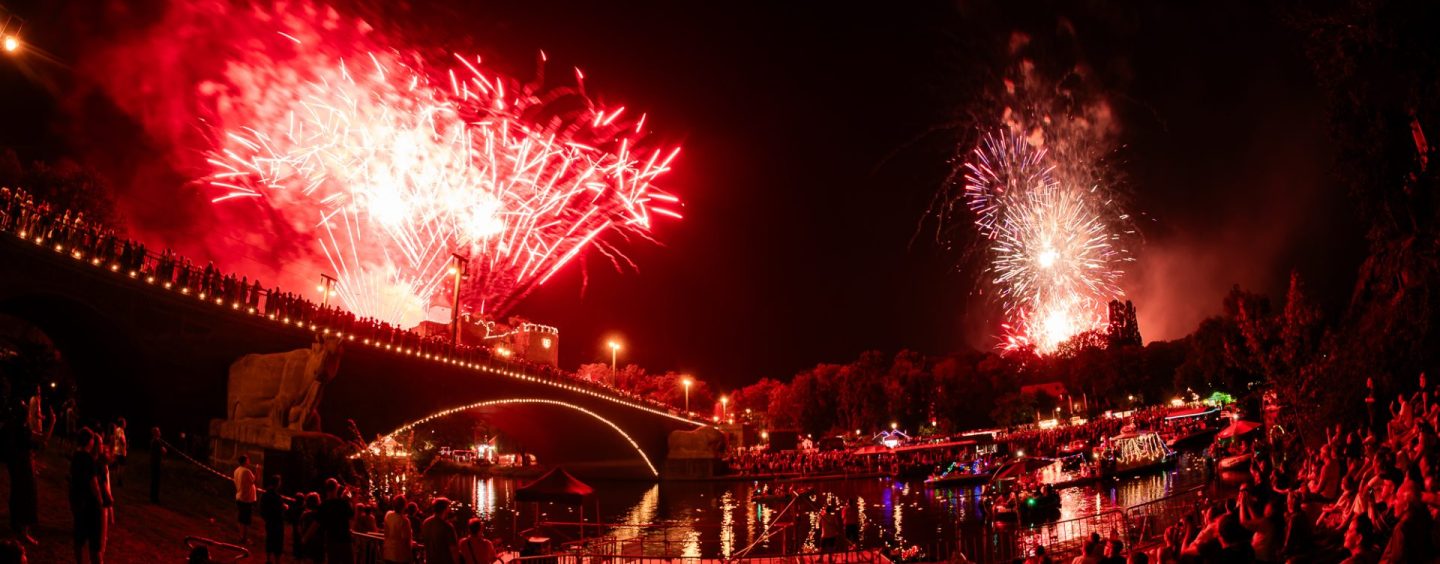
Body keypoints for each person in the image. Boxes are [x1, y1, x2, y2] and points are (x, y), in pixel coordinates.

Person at [69, 429, 105, 564]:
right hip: (90, 504)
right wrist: (100, 500)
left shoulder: (76, 456)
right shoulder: (88, 458)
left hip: (79, 502)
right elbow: (93, 483)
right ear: (89, 441)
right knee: (95, 543)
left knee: (79, 539)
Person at [318, 478, 355, 563]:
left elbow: (316, 523)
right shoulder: (343, 503)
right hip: (345, 541)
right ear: (337, 488)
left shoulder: (324, 505)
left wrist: (304, 539)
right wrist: (353, 499)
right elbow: (352, 517)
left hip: (331, 540)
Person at [421, 498, 459, 564]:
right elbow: (453, 549)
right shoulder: (447, 527)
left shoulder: (426, 523)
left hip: (430, 560)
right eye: (448, 507)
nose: (449, 509)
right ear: (445, 509)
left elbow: (425, 542)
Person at [260, 475, 288, 564]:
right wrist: (284, 507)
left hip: (269, 521)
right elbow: (279, 508)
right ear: (277, 483)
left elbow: (262, 507)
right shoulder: (276, 496)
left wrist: (265, 517)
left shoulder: (265, 494)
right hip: (277, 522)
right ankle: (277, 561)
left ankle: (268, 559)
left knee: (269, 539)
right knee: (278, 542)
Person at [383, 497, 416, 563]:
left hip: (387, 553)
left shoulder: (388, 515)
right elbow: (406, 540)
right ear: (404, 506)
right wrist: (410, 556)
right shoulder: (404, 521)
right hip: (399, 555)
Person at [234, 455, 258, 544]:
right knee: (246, 520)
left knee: (241, 519)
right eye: (248, 460)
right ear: (244, 461)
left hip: (239, 497)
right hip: (246, 499)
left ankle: (241, 536)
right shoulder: (246, 471)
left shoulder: (236, 470)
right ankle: (244, 538)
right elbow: (255, 481)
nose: (249, 461)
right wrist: (257, 470)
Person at [148, 427, 165, 504]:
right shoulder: (157, 441)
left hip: (153, 463)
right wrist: (163, 449)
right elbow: (162, 451)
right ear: (156, 433)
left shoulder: (153, 441)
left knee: (153, 481)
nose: (160, 432)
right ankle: (155, 498)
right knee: (156, 481)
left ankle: (152, 497)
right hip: (156, 463)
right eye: (158, 431)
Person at [110, 418, 127, 487]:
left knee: (116, 466)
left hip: (117, 450)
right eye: (125, 422)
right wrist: (125, 443)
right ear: (122, 423)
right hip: (120, 451)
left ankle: (115, 480)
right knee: (121, 467)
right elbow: (122, 440)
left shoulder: (117, 430)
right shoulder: (120, 430)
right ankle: (119, 481)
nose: (126, 424)